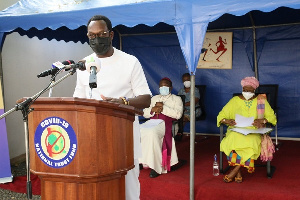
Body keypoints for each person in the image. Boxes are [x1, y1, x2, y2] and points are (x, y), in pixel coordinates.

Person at [73, 15, 152, 199]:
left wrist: (122, 102)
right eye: (92, 36)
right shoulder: (83, 65)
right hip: (92, 137)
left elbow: (146, 99)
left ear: (111, 35)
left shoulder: (130, 61)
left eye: (101, 34)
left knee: (128, 186)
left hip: (123, 136)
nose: (96, 39)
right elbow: (78, 101)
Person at [217, 76, 277, 183]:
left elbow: (272, 117)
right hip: (236, 129)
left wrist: (262, 121)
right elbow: (221, 115)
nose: (247, 92)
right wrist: (227, 120)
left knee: (251, 142)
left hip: (254, 130)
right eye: (245, 90)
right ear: (242, 89)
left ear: (254, 90)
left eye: (250, 90)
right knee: (231, 140)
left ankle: (235, 170)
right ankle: (238, 172)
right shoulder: (234, 100)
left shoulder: (261, 100)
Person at [139, 77, 183, 178]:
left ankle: (156, 166)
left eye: (166, 86)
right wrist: (152, 110)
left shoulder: (176, 99)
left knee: (152, 133)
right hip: (152, 122)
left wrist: (163, 108)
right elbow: (145, 113)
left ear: (171, 88)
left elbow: (178, 115)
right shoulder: (154, 98)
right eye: (161, 86)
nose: (163, 88)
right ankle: (142, 161)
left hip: (166, 124)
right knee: (139, 130)